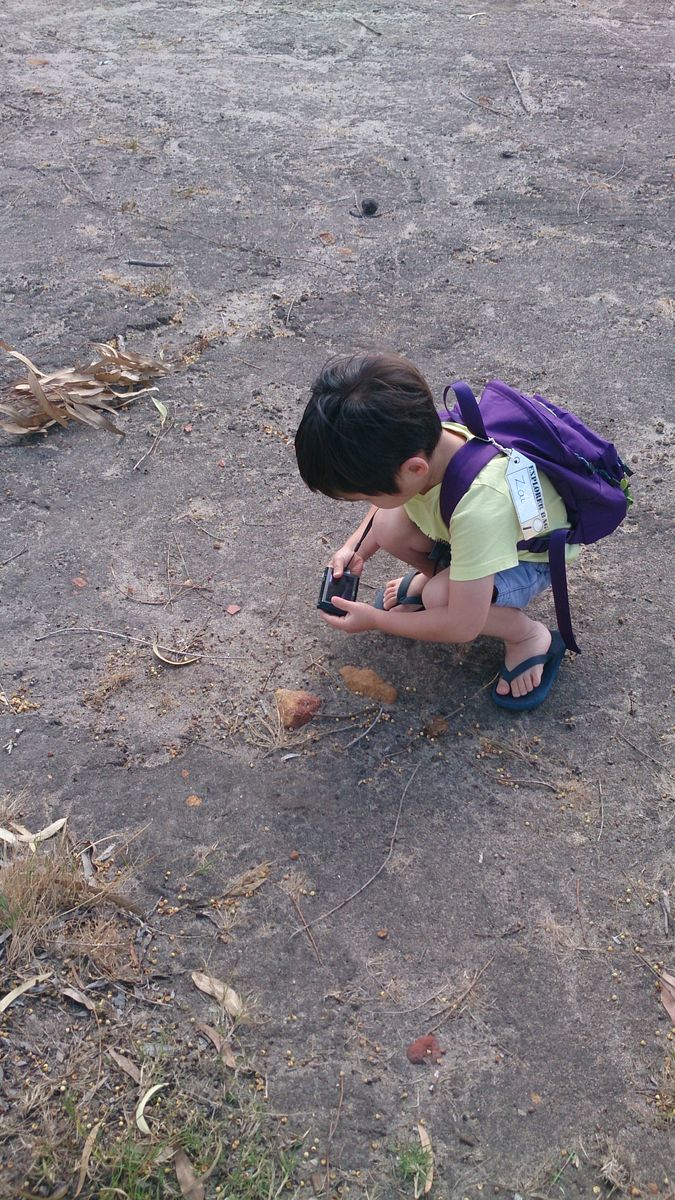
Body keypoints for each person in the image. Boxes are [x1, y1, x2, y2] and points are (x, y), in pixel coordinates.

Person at [294, 351, 580, 711]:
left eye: (367, 494)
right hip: (471, 530)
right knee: (386, 524)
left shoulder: (479, 507)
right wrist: (356, 548)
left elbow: (461, 627)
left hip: (528, 558)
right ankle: (454, 580)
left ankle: (527, 636)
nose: (368, 500)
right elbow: (385, 506)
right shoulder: (422, 435)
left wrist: (377, 621)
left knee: (440, 600)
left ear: (414, 469)